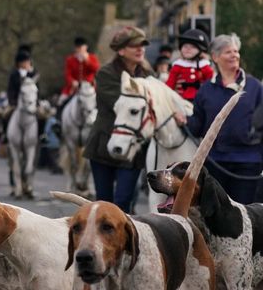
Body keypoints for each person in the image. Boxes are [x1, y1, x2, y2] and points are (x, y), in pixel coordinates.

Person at [186, 33, 263, 204]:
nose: (235, 55)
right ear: (215, 57)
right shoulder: (206, 90)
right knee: (217, 216)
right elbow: (196, 127)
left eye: (236, 51)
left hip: (248, 162)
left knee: (246, 214)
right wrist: (183, 119)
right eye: (228, 52)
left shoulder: (255, 87)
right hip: (215, 163)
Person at [84, 26, 152, 213]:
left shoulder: (147, 74)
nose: (140, 49)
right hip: (104, 145)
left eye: (142, 45)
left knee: (123, 201)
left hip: (133, 148)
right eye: (134, 45)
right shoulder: (105, 74)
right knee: (104, 203)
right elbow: (123, 104)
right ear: (121, 50)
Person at [166, 28, 214, 101]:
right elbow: (170, 84)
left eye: (193, 47)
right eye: (185, 46)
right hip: (181, 100)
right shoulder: (178, 65)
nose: (188, 49)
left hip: (201, 100)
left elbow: (211, 82)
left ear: (201, 50)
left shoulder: (203, 66)